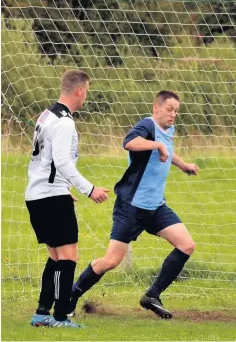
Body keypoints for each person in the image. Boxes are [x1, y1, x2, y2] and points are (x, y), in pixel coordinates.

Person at [69, 90, 200, 319]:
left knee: (186, 245)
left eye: (176, 111)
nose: (173, 115)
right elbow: (129, 142)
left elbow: (167, 151)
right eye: (169, 109)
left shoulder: (169, 131)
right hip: (131, 206)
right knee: (111, 261)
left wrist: (182, 164)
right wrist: (157, 145)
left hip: (156, 207)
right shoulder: (147, 126)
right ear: (156, 108)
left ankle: (152, 295)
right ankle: (71, 296)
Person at [25, 69, 109, 328]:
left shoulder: (47, 114)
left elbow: (47, 160)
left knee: (56, 256)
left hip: (40, 194)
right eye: (87, 92)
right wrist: (89, 189)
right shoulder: (65, 122)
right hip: (50, 197)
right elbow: (61, 160)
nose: (86, 98)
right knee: (69, 257)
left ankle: (42, 313)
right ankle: (60, 317)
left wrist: (63, 189)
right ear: (80, 90)